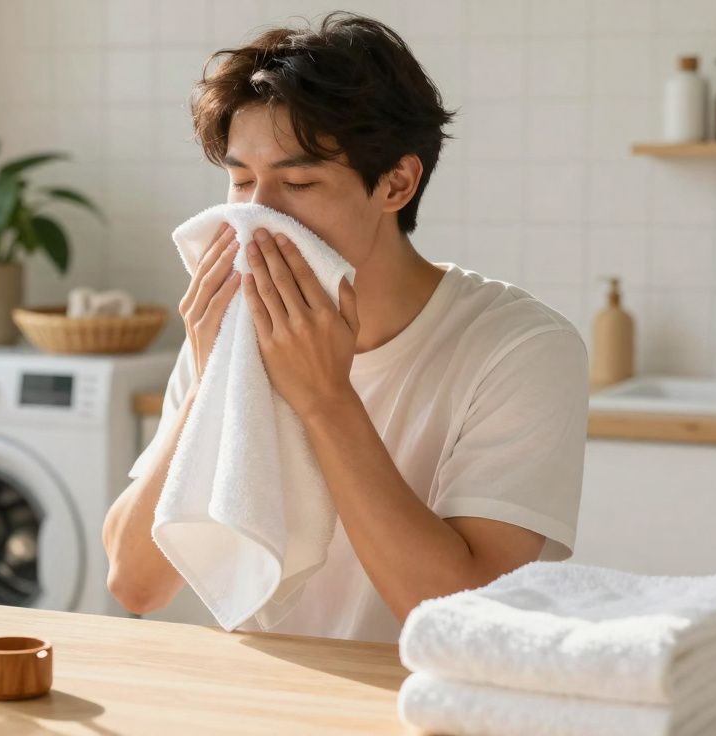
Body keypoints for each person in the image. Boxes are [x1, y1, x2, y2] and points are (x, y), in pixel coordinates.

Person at [102, 11, 589, 643]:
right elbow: (136, 584)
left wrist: (325, 398)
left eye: (298, 181)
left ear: (396, 182)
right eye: (242, 180)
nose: (257, 216)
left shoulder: (520, 349)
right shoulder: (234, 327)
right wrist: (205, 382)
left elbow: (465, 619)